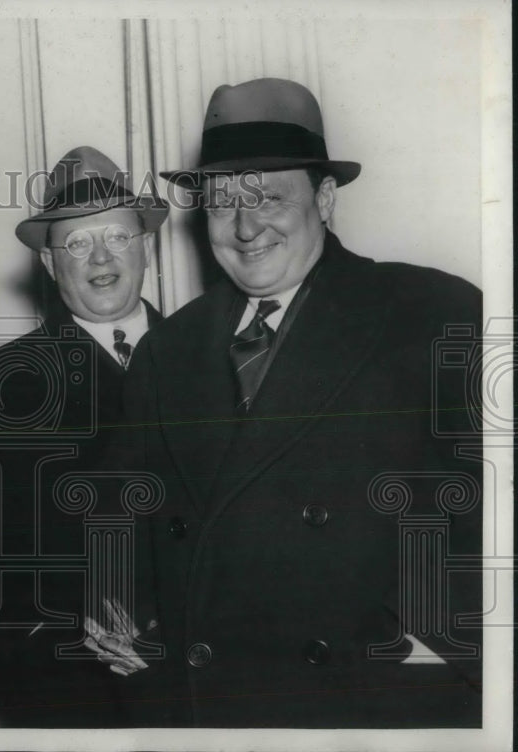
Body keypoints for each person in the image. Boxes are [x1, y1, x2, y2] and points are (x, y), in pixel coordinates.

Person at [86, 78, 483, 728]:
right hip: (214, 710)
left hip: (374, 704)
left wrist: (447, 644)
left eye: (269, 195)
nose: (245, 227)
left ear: (324, 198)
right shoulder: (169, 350)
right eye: (221, 203)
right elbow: (121, 506)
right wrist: (118, 607)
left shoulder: (433, 314)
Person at [0, 146, 168, 726]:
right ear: (50, 265)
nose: (101, 257)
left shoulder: (211, 353)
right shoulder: (2, 383)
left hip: (201, 675)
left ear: (145, 247)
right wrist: (72, 637)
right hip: (70, 687)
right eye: (76, 243)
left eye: (117, 237)